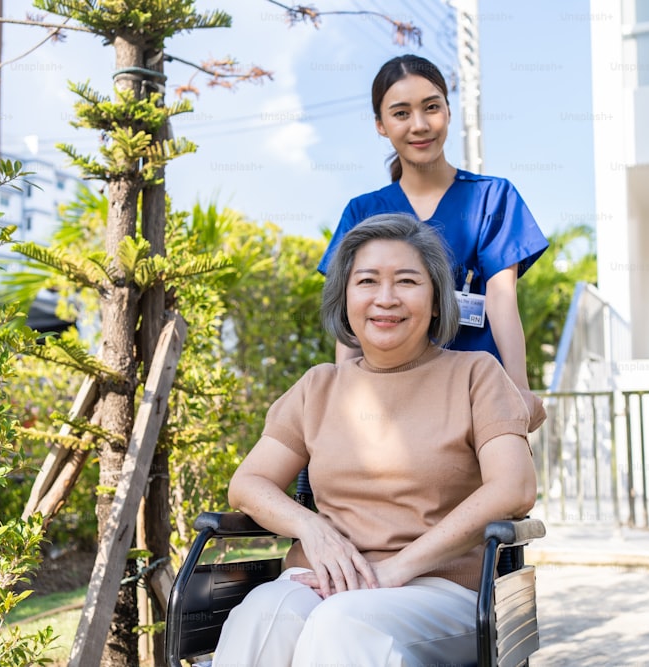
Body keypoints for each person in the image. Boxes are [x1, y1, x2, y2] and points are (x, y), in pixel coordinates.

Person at [212, 214, 537, 666]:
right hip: (321, 577)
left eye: (406, 281)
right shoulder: (317, 386)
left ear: (438, 300)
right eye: (367, 281)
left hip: (441, 590)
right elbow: (248, 483)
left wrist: (396, 569)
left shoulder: (476, 375)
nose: (386, 299)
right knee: (262, 615)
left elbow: (514, 487)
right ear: (345, 298)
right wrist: (313, 529)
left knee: (342, 624)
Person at [318, 54, 549, 430]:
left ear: (448, 111)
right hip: (386, 406)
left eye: (431, 107)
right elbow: (353, 316)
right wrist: (345, 391)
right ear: (380, 125)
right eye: (401, 113)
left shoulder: (493, 198)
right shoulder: (363, 211)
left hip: (476, 400)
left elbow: (502, 300)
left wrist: (518, 388)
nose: (420, 125)